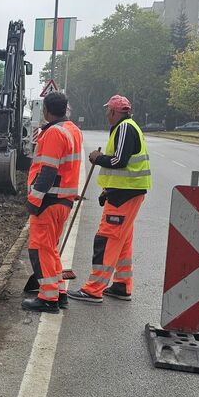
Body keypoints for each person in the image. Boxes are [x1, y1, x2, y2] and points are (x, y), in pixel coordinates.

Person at [68, 94, 152, 303]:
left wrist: (98, 159)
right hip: (126, 192)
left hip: (125, 194)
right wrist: (108, 189)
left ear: (114, 111)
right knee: (123, 241)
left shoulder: (124, 127)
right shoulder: (127, 126)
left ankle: (94, 289)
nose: (106, 115)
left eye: (108, 111)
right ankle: (122, 285)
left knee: (107, 239)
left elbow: (119, 161)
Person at [22, 92, 83, 313]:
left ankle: (48, 299)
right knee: (51, 248)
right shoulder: (73, 130)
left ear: (46, 110)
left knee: (40, 249)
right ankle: (60, 292)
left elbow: (47, 171)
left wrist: (34, 200)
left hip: (49, 200)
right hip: (63, 200)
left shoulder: (54, 133)